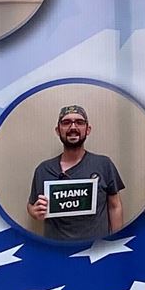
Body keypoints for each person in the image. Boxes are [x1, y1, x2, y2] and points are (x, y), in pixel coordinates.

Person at [24, 103, 126, 246]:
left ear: (88, 129)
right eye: (66, 122)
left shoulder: (104, 164)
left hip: (96, 251)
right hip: (57, 251)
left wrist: (116, 243)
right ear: (58, 130)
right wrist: (34, 212)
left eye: (79, 122)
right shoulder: (43, 169)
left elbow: (115, 206)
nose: (73, 127)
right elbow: (31, 205)